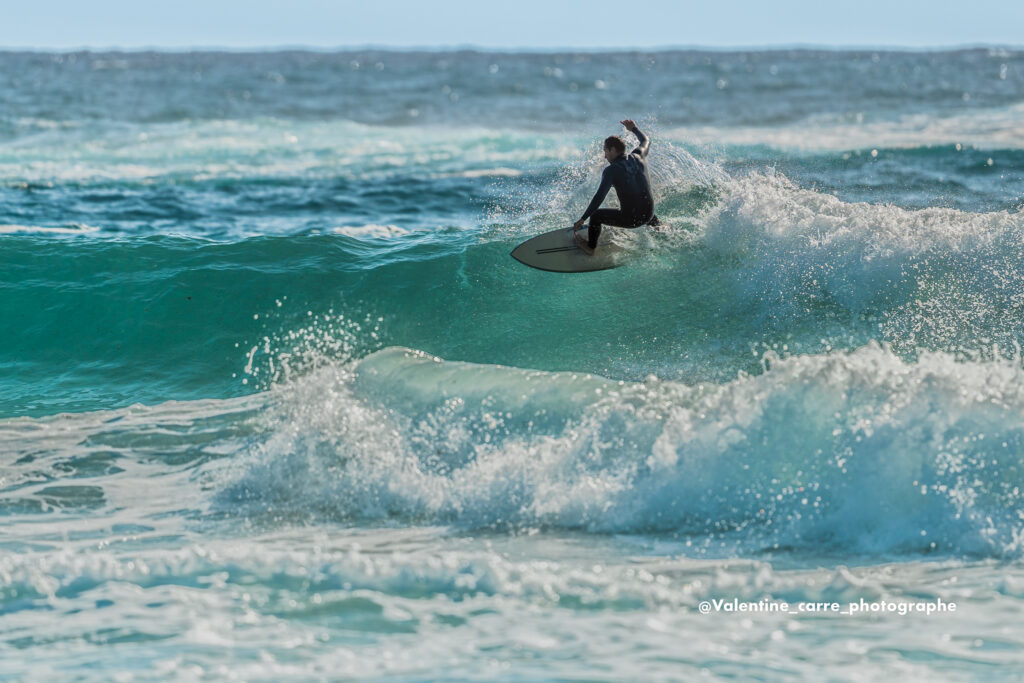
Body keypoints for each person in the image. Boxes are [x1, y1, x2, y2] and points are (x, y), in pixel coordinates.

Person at [573, 119, 660, 254]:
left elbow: (599, 196)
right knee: (641, 200)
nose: (605, 155)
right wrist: (634, 129)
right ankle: (657, 226)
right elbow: (646, 141)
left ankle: (590, 247)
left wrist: (583, 218)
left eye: (605, 151)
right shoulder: (638, 156)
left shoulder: (611, 170)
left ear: (613, 150)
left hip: (633, 219)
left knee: (596, 216)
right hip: (649, 214)